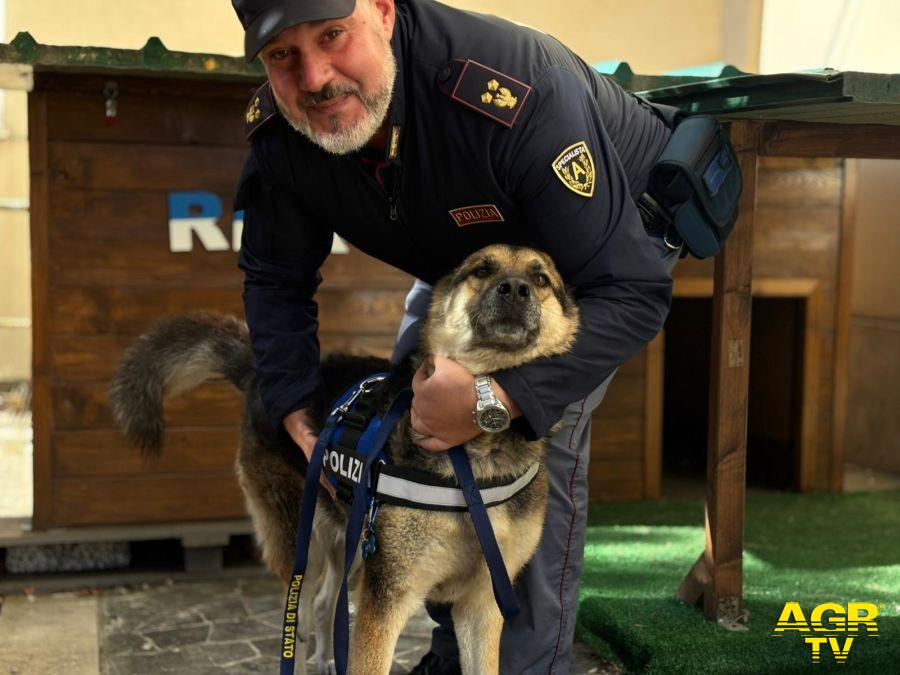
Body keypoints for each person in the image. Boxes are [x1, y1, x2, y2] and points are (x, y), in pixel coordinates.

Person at [230, 0, 681, 672]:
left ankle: (524, 662)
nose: (316, 76)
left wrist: (499, 398)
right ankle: (453, 647)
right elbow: (275, 278)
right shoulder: (281, 133)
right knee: (417, 430)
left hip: (602, 249)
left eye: (332, 36)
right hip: (463, 255)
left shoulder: (511, 92)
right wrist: (292, 400)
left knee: (523, 459)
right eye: (282, 56)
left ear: (382, 10)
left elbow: (632, 287)